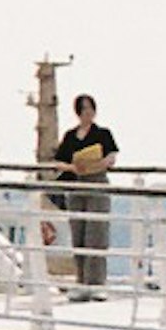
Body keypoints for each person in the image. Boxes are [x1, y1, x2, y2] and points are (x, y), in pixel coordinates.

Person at [51, 94, 119, 295]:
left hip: (97, 184)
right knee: (78, 233)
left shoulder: (103, 133)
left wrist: (95, 165)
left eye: (90, 108)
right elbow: (58, 162)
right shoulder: (71, 136)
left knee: (96, 234)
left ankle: (96, 284)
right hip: (76, 184)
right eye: (84, 109)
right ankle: (81, 281)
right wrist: (74, 167)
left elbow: (111, 157)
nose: (88, 112)